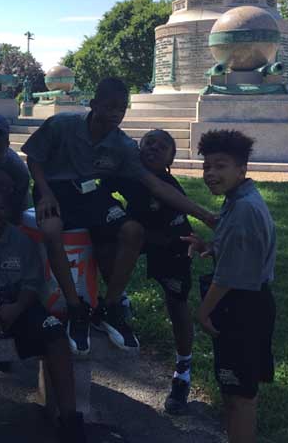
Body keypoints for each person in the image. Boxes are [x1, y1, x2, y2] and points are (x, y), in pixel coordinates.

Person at [21, 77, 216, 356]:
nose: (116, 114)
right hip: (54, 189)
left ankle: (109, 306)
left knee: (132, 231)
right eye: (110, 107)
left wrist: (205, 214)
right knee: (52, 230)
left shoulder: (122, 145)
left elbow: (155, 184)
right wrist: (45, 192)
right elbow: (34, 158)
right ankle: (75, 307)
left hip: (90, 194)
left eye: (121, 108)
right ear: (93, 105)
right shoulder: (63, 124)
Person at [0, 186, 86, 443]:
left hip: (18, 306)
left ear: (10, 211)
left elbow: (31, 283)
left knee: (55, 333)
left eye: (0, 208)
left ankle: (70, 418)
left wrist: (16, 308)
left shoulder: (22, 240)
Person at [183, 130, 276, 443]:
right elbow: (240, 250)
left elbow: (230, 277)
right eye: (206, 167)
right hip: (246, 303)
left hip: (241, 308)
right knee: (236, 388)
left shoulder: (244, 209)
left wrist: (203, 312)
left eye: (220, 166)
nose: (210, 174)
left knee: (240, 397)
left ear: (242, 169)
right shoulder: (239, 200)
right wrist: (210, 246)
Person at [102, 129, 194, 414]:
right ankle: (117, 301)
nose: (154, 147)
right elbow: (102, 187)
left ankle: (183, 369)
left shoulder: (170, 188)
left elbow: (171, 231)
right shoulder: (130, 173)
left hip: (172, 243)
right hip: (141, 233)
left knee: (177, 305)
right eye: (149, 142)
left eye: (163, 146)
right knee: (102, 240)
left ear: (170, 160)